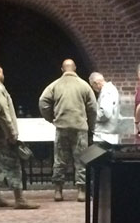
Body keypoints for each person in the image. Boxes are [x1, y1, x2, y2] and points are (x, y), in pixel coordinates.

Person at [38, 59, 97, 202]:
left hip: (61, 127)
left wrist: (51, 118)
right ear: (75, 68)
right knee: (81, 159)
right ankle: (81, 191)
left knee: (60, 160)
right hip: (79, 127)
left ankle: (58, 191)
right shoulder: (84, 85)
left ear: (62, 69)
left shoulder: (55, 85)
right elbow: (93, 108)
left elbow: (43, 102)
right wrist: (91, 125)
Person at [0, 63, 39, 209]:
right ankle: (19, 199)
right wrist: (11, 134)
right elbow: (2, 114)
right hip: (1, 135)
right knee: (13, 165)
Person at [88, 72, 120, 138]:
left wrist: (92, 118)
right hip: (108, 132)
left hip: (104, 133)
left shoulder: (106, 92)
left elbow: (105, 113)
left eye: (92, 86)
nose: (93, 88)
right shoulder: (111, 89)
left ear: (96, 83)